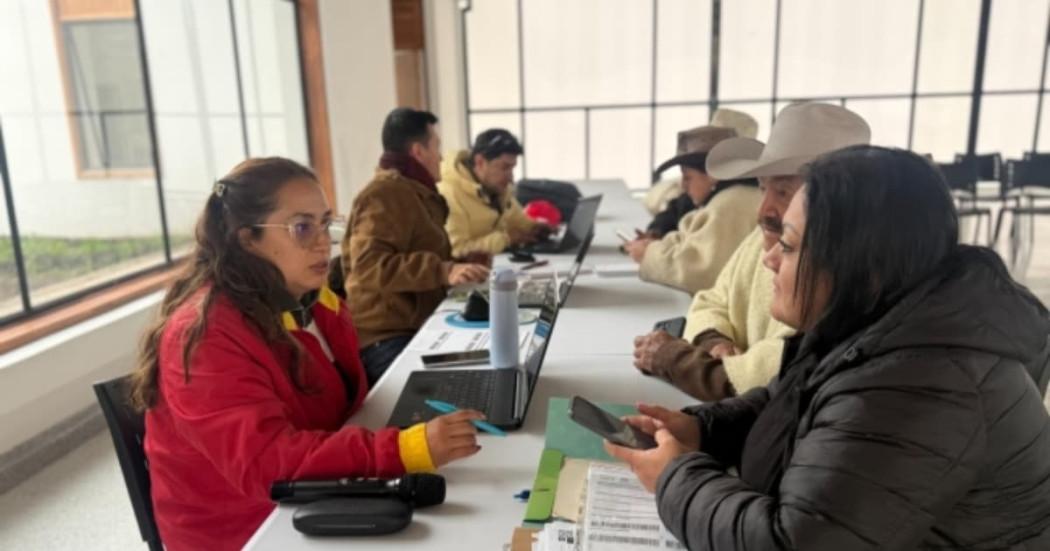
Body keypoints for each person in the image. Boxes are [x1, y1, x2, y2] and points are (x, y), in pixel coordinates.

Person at [608, 146, 1050, 549]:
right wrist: (703, 430)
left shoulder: (922, 384)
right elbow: (788, 401)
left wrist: (673, 479)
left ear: (859, 265)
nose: (769, 259)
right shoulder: (878, 320)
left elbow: (793, 542)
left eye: (788, 245)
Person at [129, 158, 486, 551]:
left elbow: (339, 411)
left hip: (309, 498)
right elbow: (268, 465)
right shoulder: (204, 336)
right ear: (247, 239)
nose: (323, 242)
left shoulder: (309, 299)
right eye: (301, 227)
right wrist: (405, 448)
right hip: (248, 532)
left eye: (325, 223)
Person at [633, 102, 870, 400]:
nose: (762, 210)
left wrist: (672, 358)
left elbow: (771, 382)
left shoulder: (840, 271)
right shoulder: (762, 238)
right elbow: (712, 298)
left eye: (783, 192)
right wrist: (713, 340)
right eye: (762, 188)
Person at [342, 108, 489, 384]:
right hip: (386, 337)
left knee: (486, 368)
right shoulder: (385, 193)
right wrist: (443, 270)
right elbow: (368, 266)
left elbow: (412, 254)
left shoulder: (414, 192)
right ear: (418, 151)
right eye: (437, 147)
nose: (442, 158)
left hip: (418, 325)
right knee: (453, 394)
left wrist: (460, 264)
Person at [624, 125, 761, 294]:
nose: (683, 185)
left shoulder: (728, 206)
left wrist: (648, 255)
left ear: (713, 175)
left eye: (688, 177)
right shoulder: (731, 197)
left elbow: (701, 271)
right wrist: (654, 244)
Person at [439, 128, 550, 256]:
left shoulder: (497, 190)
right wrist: (506, 240)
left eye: (512, 168)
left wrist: (535, 228)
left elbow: (517, 220)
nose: (511, 178)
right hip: (469, 268)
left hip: (494, 264)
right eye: (505, 167)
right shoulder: (448, 195)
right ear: (480, 162)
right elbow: (456, 251)